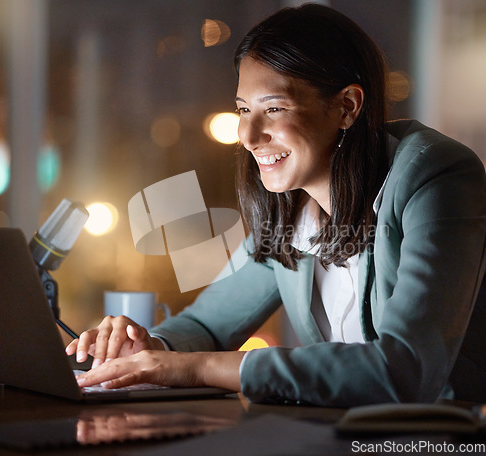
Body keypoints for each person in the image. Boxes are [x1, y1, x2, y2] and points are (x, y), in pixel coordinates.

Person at [67, 4, 486, 407]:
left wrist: (194, 368)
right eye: (243, 110)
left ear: (346, 107)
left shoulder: (434, 177)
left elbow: (405, 371)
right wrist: (150, 347)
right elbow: (206, 325)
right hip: (348, 437)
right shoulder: (291, 213)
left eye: (273, 108)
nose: (248, 135)